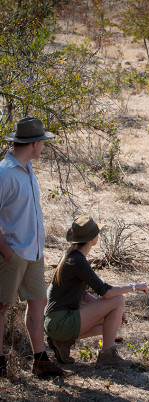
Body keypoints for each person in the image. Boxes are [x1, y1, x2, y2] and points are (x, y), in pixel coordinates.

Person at [0, 117, 64, 378]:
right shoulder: (4, 173)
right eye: (43, 143)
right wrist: (6, 250)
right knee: (2, 307)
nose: (43, 148)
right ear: (35, 144)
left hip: (34, 252)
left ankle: (40, 360)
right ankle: (0, 363)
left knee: (38, 302)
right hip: (12, 252)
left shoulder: (27, 168)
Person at [44, 215, 149, 368]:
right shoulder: (77, 260)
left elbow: (84, 295)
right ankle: (107, 355)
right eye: (97, 232)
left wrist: (114, 311)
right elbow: (106, 292)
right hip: (61, 322)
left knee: (115, 319)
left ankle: (63, 341)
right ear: (92, 238)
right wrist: (135, 286)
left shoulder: (72, 257)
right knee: (118, 299)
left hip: (54, 323)